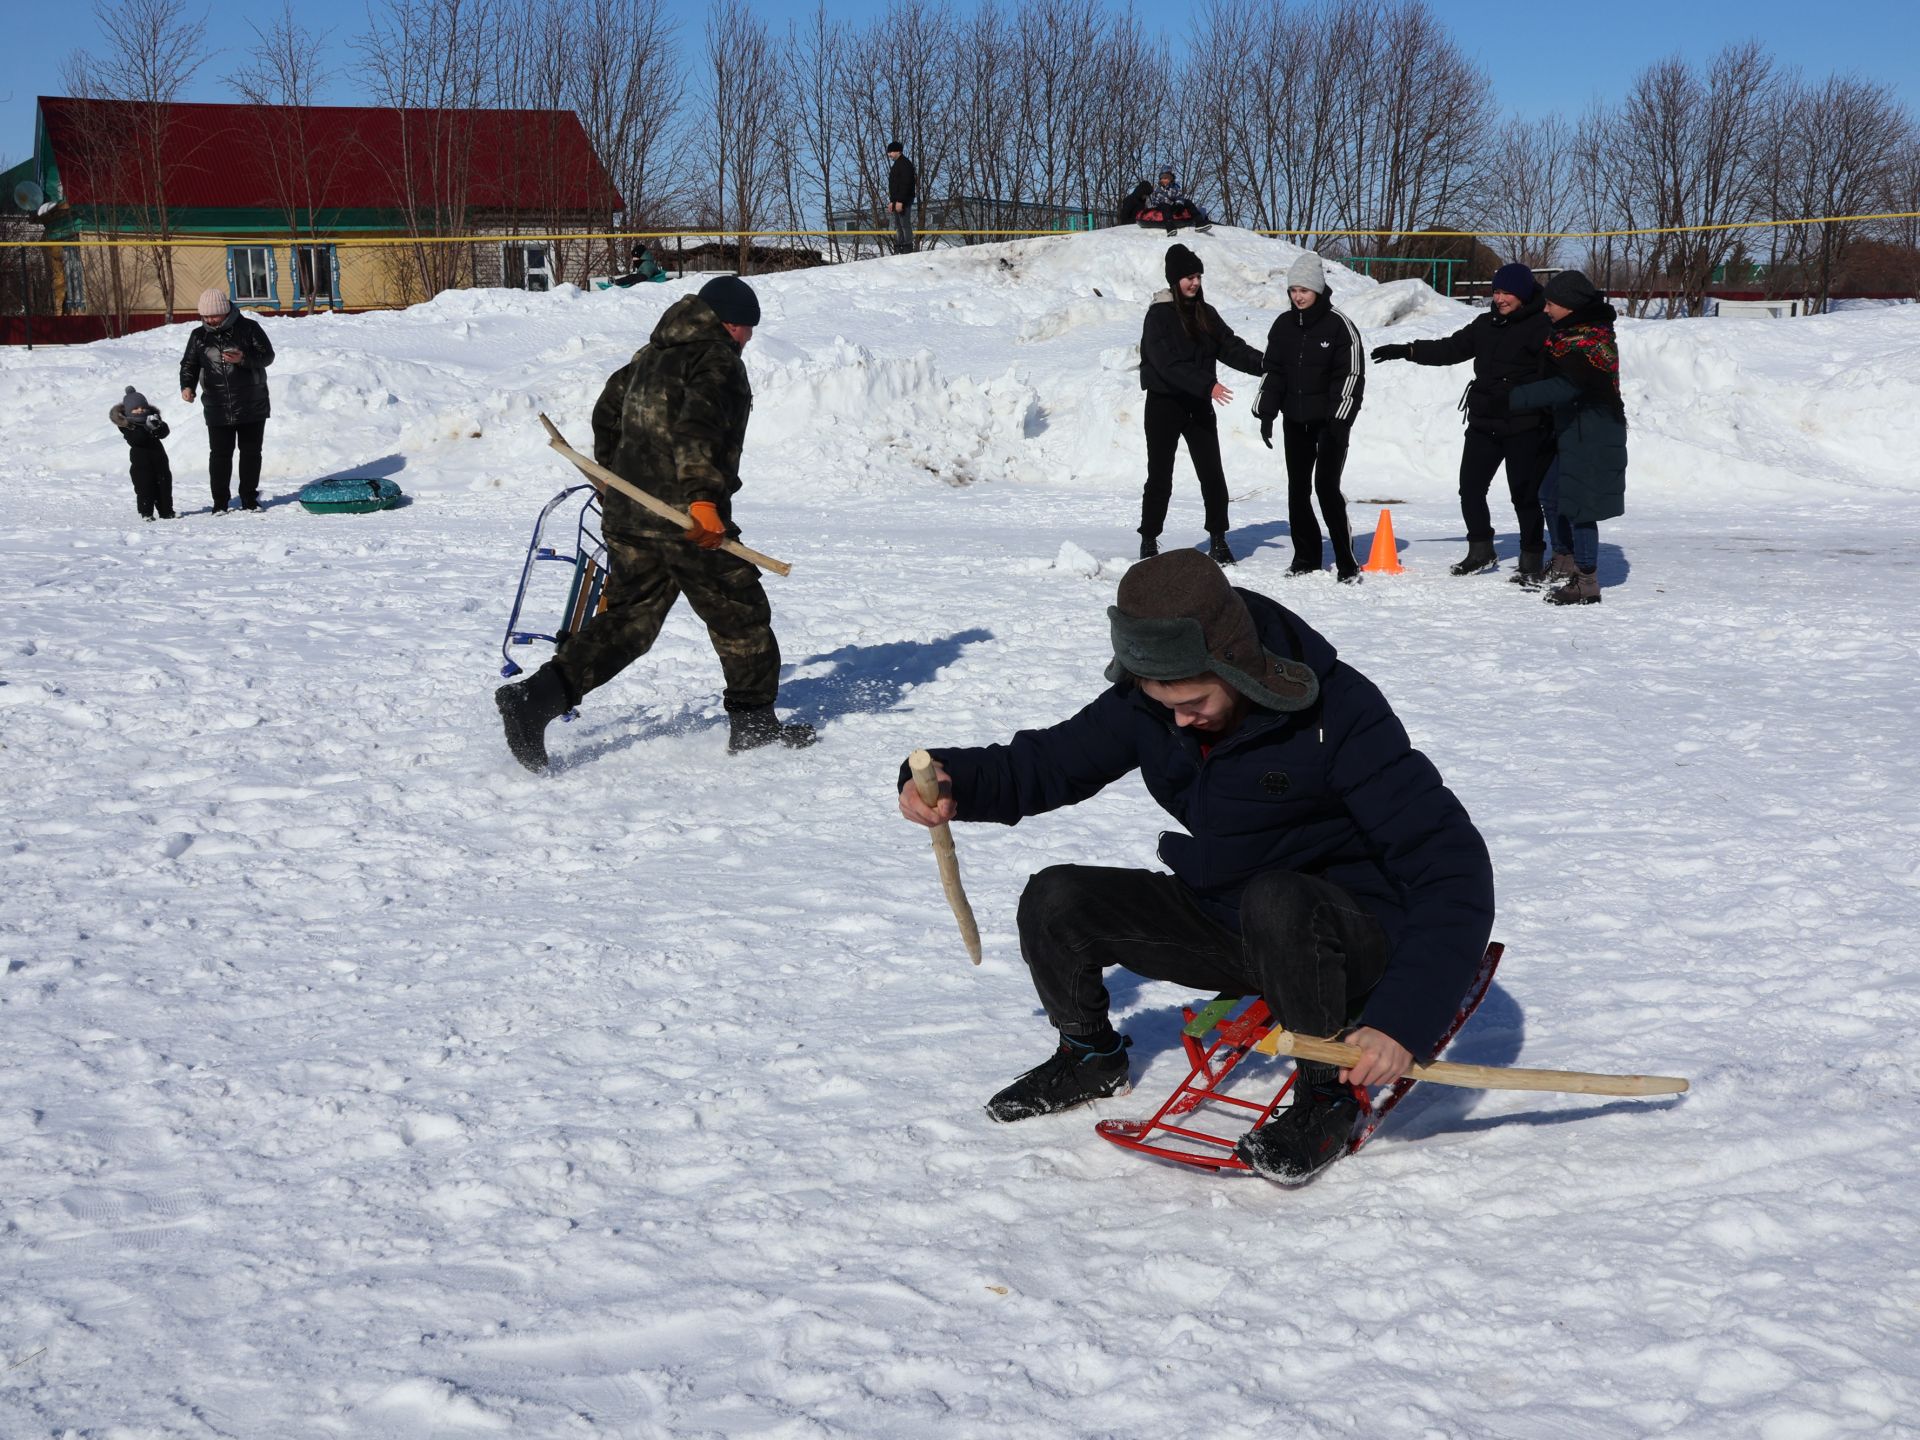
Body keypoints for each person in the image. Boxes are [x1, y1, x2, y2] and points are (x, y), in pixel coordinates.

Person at [897, 549, 1495, 1186]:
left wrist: (1401, 1021)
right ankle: (1089, 1055)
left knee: (1279, 901)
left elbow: (1452, 868)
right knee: (1057, 897)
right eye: (1161, 702)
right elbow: (1048, 763)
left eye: (1192, 701)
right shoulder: (1154, 702)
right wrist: (950, 779)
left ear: (1236, 663)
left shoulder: (1338, 715)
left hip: (1345, 937)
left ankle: (1327, 1096)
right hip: (1234, 916)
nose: (1178, 719)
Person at [495, 276, 818, 770]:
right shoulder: (716, 360)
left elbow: (607, 412)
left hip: (629, 513)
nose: (748, 339)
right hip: (686, 519)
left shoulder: (650, 355)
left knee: (630, 621)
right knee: (740, 613)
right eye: (746, 329)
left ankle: (534, 699)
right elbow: (700, 431)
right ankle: (754, 726)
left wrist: (615, 478)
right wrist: (704, 499)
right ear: (730, 324)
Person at [1370, 262, 1553, 580]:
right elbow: (1451, 348)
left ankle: (1532, 557)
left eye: (1506, 292)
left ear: (1522, 293)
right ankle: (1481, 549)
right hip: (1484, 421)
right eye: (1496, 292)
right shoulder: (1486, 324)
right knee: (1470, 489)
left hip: (1525, 425)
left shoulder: (1541, 327)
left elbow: (1555, 375)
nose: (1499, 299)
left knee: (1524, 495)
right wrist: (1410, 350)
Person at [1138, 243, 1265, 566]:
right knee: (1160, 476)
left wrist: (1266, 364)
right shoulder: (1158, 316)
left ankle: (1219, 538)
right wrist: (1207, 384)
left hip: (1198, 405)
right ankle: (1149, 539)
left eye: (1197, 276)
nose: (1194, 283)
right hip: (1164, 405)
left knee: (1212, 473)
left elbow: (1230, 346)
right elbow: (1167, 363)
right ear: (1173, 280)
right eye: (1187, 277)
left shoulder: (1205, 314)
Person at [1508, 270, 1626, 606]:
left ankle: (1586, 580)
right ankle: (1564, 557)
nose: (1546, 309)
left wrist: (1514, 397)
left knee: (1580, 504)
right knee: (1550, 493)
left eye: (1552, 304)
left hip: (1593, 429)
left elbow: (1568, 385)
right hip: (1567, 427)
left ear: (1571, 306)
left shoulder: (1593, 341)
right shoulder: (1565, 333)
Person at [1256, 253, 1365, 581]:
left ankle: (1346, 560)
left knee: (1326, 488)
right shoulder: (1283, 326)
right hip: (1295, 421)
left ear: (1318, 288)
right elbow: (1273, 372)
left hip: (1330, 423)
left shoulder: (1338, 325)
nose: (1298, 296)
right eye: (1293, 290)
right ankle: (1306, 557)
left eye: (1304, 289)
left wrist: (1339, 418)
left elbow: (1351, 375)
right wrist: (1266, 412)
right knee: (1297, 489)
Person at [179, 288, 274, 514]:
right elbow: (189, 365)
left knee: (251, 453)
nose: (210, 320)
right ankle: (220, 502)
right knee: (220, 455)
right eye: (205, 317)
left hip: (251, 402)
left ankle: (249, 498)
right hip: (216, 404)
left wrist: (243, 359)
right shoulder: (199, 336)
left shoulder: (249, 328)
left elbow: (267, 356)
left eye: (214, 315)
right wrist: (187, 386)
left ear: (226, 311)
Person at [109, 386, 174, 521]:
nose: (140, 410)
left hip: (160, 461)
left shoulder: (153, 419)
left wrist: (158, 427)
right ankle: (146, 513)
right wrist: (148, 429)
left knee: (164, 487)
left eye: (142, 408)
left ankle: (166, 511)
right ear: (128, 411)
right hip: (141, 465)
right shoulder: (128, 426)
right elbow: (137, 439)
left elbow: (164, 433)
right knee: (145, 488)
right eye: (136, 408)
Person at [885, 141, 917, 255]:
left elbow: (905, 184)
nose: (889, 155)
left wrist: (900, 201)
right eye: (888, 152)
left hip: (904, 200)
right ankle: (899, 246)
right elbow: (894, 186)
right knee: (898, 225)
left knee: (904, 224)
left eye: (891, 152)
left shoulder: (905, 164)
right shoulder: (897, 165)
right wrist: (892, 202)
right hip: (897, 200)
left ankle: (907, 247)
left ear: (898, 151)